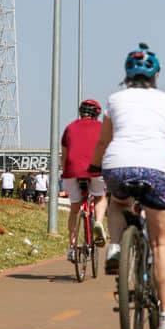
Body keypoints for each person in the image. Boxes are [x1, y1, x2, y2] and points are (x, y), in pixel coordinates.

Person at [90, 43, 165, 329]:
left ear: (126, 76)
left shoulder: (114, 100)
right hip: (157, 169)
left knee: (118, 203)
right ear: (156, 76)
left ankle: (116, 246)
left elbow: (103, 143)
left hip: (119, 165)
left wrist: (94, 166)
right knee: (161, 242)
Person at [61, 99, 107, 262]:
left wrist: (65, 171)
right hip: (96, 171)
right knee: (100, 197)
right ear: (97, 114)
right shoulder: (102, 128)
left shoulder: (70, 128)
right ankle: (99, 223)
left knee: (75, 209)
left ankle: (72, 246)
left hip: (72, 171)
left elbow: (64, 156)